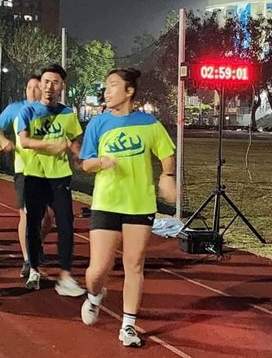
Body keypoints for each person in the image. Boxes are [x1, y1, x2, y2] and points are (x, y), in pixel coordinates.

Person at [79, 68, 176, 348]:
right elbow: (86, 163)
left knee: (134, 264)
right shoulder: (98, 123)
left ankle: (128, 325)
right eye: (106, 86)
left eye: (113, 85)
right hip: (106, 202)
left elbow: (166, 154)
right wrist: (102, 162)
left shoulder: (149, 123)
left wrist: (167, 176)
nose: (107, 91)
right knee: (98, 270)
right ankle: (94, 295)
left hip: (139, 204)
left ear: (129, 90)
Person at [17, 63, 85, 296]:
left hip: (60, 177)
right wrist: (51, 145)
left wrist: (79, 156)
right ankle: (34, 268)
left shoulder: (68, 114)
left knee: (66, 224)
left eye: (55, 82)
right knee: (33, 224)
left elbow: (74, 141)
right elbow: (24, 141)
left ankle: (65, 275)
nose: (49, 87)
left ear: (62, 86)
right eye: (46, 82)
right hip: (34, 176)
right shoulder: (28, 111)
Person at [0, 74, 54, 278]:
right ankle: (28, 260)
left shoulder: (52, 110)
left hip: (49, 170)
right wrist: (4, 140)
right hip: (25, 170)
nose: (32, 91)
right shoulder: (15, 109)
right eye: (29, 87)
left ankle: (35, 244)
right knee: (27, 214)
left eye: (36, 87)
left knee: (48, 217)